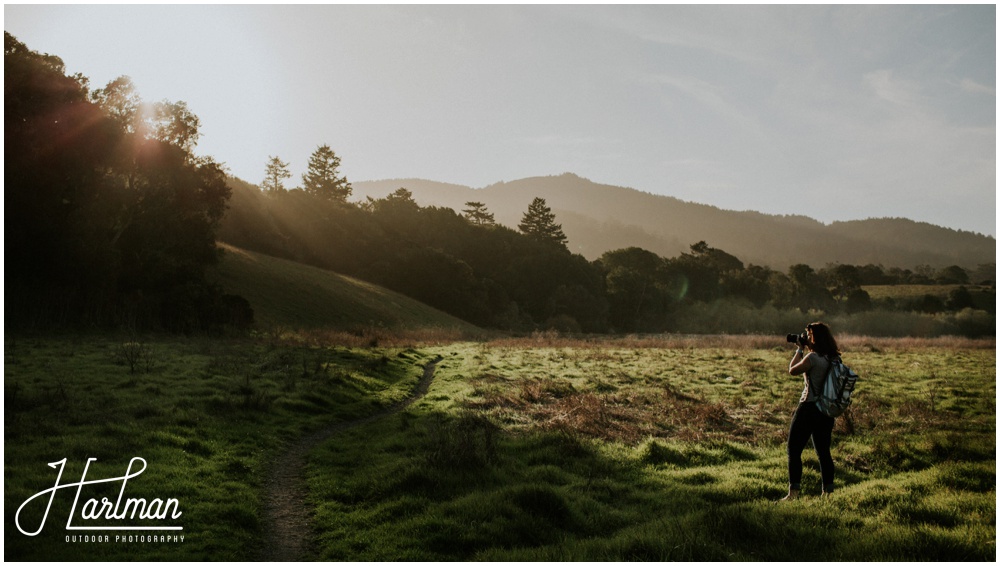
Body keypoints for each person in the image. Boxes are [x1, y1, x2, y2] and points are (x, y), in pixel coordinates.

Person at [782, 322, 839, 500]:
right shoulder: (835, 358)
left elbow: (792, 371)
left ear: (813, 337)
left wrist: (799, 350)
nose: (805, 337)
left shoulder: (812, 358)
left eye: (807, 334)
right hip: (826, 411)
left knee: (793, 449)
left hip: (808, 407)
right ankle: (827, 494)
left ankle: (793, 494)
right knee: (823, 452)